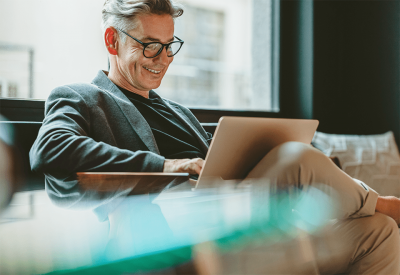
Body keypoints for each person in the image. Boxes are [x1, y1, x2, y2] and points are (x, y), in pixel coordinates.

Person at [29, 0, 400, 273]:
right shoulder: (80, 97)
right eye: (149, 45)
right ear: (112, 40)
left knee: (379, 232)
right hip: (178, 236)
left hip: (240, 218)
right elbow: (51, 149)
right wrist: (167, 164)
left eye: (169, 45)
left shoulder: (179, 112)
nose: (163, 58)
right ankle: (381, 201)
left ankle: (375, 211)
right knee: (296, 159)